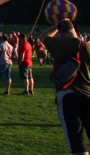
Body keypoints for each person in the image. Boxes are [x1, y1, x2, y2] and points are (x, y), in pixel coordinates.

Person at [41, 19, 90, 155]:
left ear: (60, 34)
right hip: (87, 93)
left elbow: (42, 37)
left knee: (74, 134)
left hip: (67, 93)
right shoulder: (87, 46)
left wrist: (57, 25)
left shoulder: (58, 44)